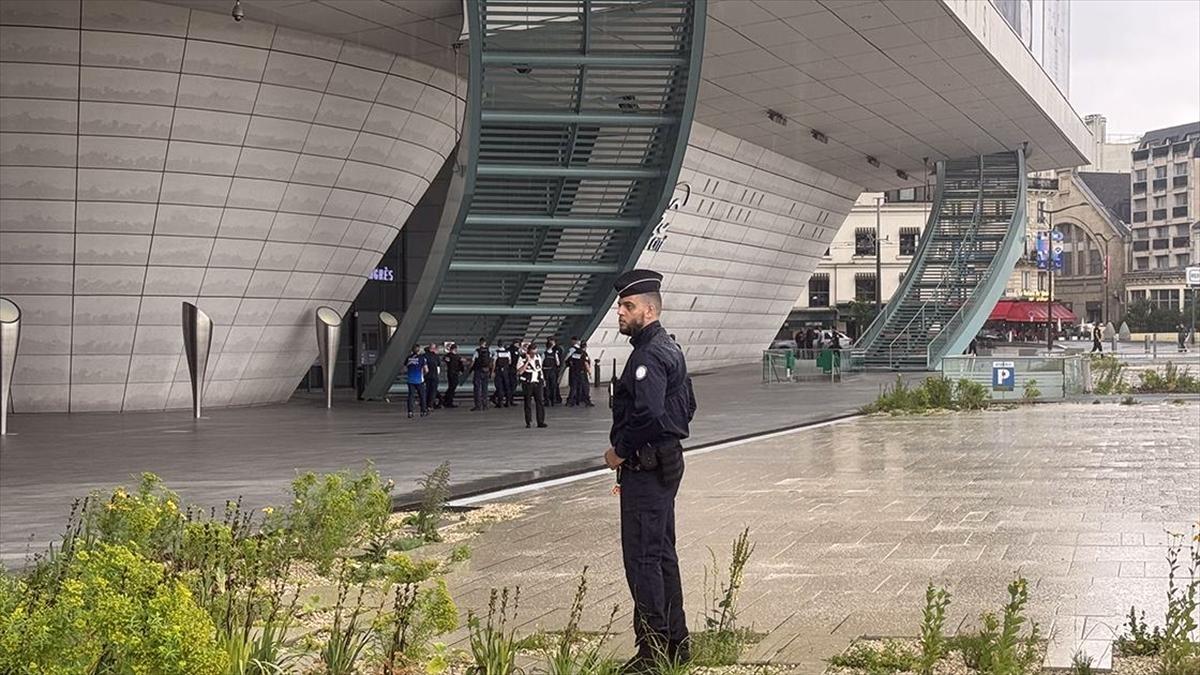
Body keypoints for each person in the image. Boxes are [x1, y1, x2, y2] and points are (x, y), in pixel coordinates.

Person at [603, 269, 696, 673]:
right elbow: (687, 406)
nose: (620, 313)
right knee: (661, 556)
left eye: (627, 306)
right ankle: (676, 643)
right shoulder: (669, 348)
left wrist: (620, 451)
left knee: (642, 559)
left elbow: (650, 413)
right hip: (665, 463)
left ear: (649, 309)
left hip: (645, 467)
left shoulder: (646, 356)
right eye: (620, 306)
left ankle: (652, 653)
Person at [517, 342, 547, 429]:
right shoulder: (522, 358)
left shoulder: (538, 357)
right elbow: (520, 371)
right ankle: (528, 421)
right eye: (532, 352)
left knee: (540, 402)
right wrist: (527, 361)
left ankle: (540, 421)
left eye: (535, 351)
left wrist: (542, 379)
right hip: (528, 383)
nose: (534, 354)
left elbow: (540, 369)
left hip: (537, 382)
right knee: (528, 403)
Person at [404, 344, 428, 419]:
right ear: (419, 350)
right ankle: (423, 411)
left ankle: (410, 412)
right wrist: (423, 374)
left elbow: (405, 368)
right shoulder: (422, 358)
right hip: (419, 380)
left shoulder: (408, 358)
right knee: (422, 396)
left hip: (410, 380)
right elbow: (426, 370)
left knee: (411, 396)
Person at [470, 338, 491, 411]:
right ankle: (485, 405)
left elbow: (473, 362)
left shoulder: (477, 351)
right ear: (485, 343)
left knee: (477, 388)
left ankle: (478, 405)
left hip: (478, 371)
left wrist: (469, 368)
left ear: (480, 343)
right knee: (485, 388)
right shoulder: (488, 351)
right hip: (486, 370)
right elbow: (490, 361)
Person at [543, 337, 564, 406]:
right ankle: (553, 399)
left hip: (546, 371)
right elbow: (558, 362)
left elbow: (540, 363)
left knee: (547, 386)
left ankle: (547, 400)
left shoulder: (544, 354)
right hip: (553, 371)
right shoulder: (555, 353)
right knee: (553, 385)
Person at [442, 342, 463, 407]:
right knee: (452, 387)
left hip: (452, 373)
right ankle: (448, 400)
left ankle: (447, 400)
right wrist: (461, 370)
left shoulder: (451, 355)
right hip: (453, 373)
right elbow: (461, 363)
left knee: (451, 387)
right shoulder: (454, 356)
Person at [493, 341, 513, 407]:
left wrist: (493, 371)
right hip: (506, 371)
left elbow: (494, 363)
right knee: (507, 386)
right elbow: (510, 362)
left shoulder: (496, 352)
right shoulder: (508, 352)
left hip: (499, 371)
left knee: (500, 386)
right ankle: (508, 402)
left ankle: (500, 402)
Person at [422, 343, 441, 411]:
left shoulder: (423, 356)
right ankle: (430, 405)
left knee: (427, 390)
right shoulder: (436, 356)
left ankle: (425, 405)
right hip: (434, 376)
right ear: (433, 349)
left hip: (426, 376)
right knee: (433, 391)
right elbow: (438, 365)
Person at [566, 336, 584, 406]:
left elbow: (567, 357)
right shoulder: (581, 350)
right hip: (579, 369)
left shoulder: (572, 349)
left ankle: (570, 400)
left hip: (573, 369)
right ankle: (578, 400)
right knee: (579, 385)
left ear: (574, 341)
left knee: (573, 385)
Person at [579, 340, 596, 407]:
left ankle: (579, 399)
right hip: (583, 372)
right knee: (586, 387)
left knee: (578, 386)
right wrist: (589, 372)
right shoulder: (584, 354)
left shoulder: (577, 352)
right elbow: (586, 363)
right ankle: (587, 401)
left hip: (577, 372)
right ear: (585, 346)